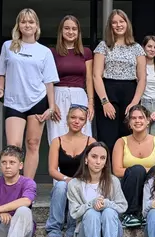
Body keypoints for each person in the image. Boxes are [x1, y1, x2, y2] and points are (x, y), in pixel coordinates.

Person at [0, 8, 59, 180]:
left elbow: (49, 82)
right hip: (14, 102)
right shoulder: (8, 46)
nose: (27, 25)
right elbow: (1, 74)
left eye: (31, 22)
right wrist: (0, 89)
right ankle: (12, 187)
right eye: (24, 21)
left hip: (37, 101)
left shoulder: (44, 51)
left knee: (33, 144)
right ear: (18, 25)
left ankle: (27, 188)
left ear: (36, 26)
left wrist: (51, 107)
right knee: (13, 147)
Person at [68, 142, 128, 237]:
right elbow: (74, 213)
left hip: (111, 234)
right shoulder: (74, 184)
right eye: (94, 157)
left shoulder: (113, 181)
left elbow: (122, 206)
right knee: (92, 213)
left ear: (106, 162)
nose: (98, 162)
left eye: (102, 158)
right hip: (86, 235)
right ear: (86, 159)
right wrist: (91, 205)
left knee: (109, 211)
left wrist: (107, 204)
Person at [93, 9, 146, 151]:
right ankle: (107, 172)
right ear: (110, 26)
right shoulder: (103, 46)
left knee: (128, 137)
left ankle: (124, 172)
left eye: (121, 21)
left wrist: (134, 103)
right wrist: (105, 102)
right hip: (108, 91)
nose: (118, 25)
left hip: (130, 92)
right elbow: (96, 76)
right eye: (114, 22)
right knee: (107, 137)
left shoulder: (137, 48)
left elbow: (142, 79)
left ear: (127, 24)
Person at [46, 105, 96, 237]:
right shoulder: (57, 141)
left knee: (74, 186)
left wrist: (76, 182)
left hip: (83, 185)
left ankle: (70, 233)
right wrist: (67, 180)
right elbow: (52, 170)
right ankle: (54, 233)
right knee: (61, 185)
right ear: (67, 119)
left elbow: (93, 168)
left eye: (81, 119)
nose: (76, 121)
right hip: (63, 182)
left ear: (85, 122)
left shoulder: (90, 142)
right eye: (73, 117)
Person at [112, 105, 155, 228]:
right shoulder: (121, 142)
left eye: (141, 117)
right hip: (128, 186)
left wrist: (146, 170)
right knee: (137, 170)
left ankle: (149, 211)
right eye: (133, 118)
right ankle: (130, 214)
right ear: (129, 123)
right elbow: (117, 170)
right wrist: (141, 170)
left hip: (152, 186)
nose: (137, 121)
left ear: (147, 121)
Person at [48, 15, 93, 143]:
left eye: (74, 29)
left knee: (82, 136)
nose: (70, 32)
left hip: (79, 95)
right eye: (67, 28)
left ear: (78, 32)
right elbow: (48, 80)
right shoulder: (51, 52)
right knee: (57, 136)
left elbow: (89, 79)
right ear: (61, 31)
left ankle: (81, 163)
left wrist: (90, 102)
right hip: (57, 95)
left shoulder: (86, 52)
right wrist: (52, 104)